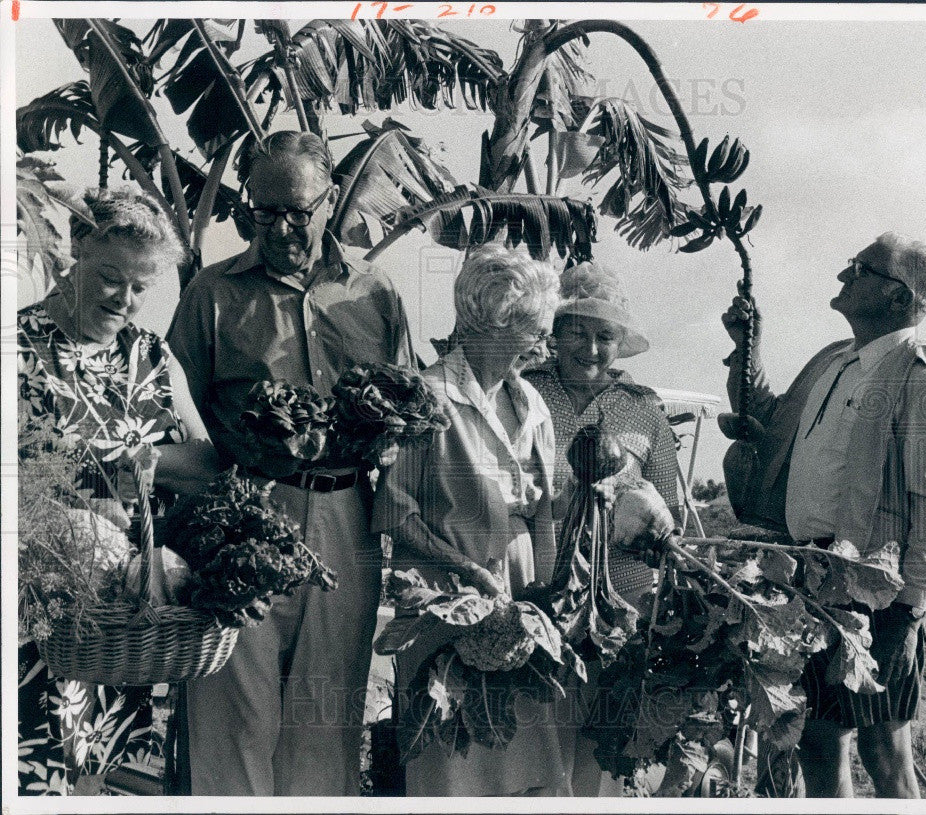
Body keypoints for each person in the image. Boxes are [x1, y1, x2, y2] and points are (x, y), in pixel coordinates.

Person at [167, 130, 417, 796]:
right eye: (263, 209)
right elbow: (170, 412)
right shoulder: (213, 294)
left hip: (346, 517)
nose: (280, 226)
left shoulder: (376, 292)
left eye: (297, 211)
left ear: (331, 199)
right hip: (244, 518)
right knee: (231, 719)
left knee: (324, 723)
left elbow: (409, 413)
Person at [720, 232, 926, 798]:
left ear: (899, 299)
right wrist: (747, 347)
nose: (844, 276)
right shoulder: (833, 361)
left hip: (878, 592)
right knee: (817, 738)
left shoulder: (924, 381)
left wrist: (910, 611)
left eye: (861, 268)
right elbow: (769, 419)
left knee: (884, 747)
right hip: (809, 576)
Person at [17, 187, 218, 795]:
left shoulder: (152, 355)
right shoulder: (18, 345)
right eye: (110, 278)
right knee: (32, 763)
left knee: (94, 769)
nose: (124, 300)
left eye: (139, 288)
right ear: (76, 248)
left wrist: (140, 461)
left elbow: (208, 463)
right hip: (39, 606)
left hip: (125, 615)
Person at [372, 244, 571, 796]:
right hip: (444, 595)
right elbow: (393, 512)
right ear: (495, 322)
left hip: (519, 589)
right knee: (450, 752)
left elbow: (545, 512)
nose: (543, 341)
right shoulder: (426, 397)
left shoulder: (531, 401)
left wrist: (547, 600)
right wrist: (467, 570)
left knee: (523, 751)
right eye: (534, 327)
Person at [523, 259, 682, 796]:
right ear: (555, 336)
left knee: (603, 744)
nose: (591, 349)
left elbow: (672, 511)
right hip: (540, 591)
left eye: (604, 337)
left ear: (619, 345)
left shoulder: (644, 410)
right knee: (540, 736)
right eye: (577, 334)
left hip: (624, 601)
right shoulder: (522, 394)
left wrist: (632, 507)